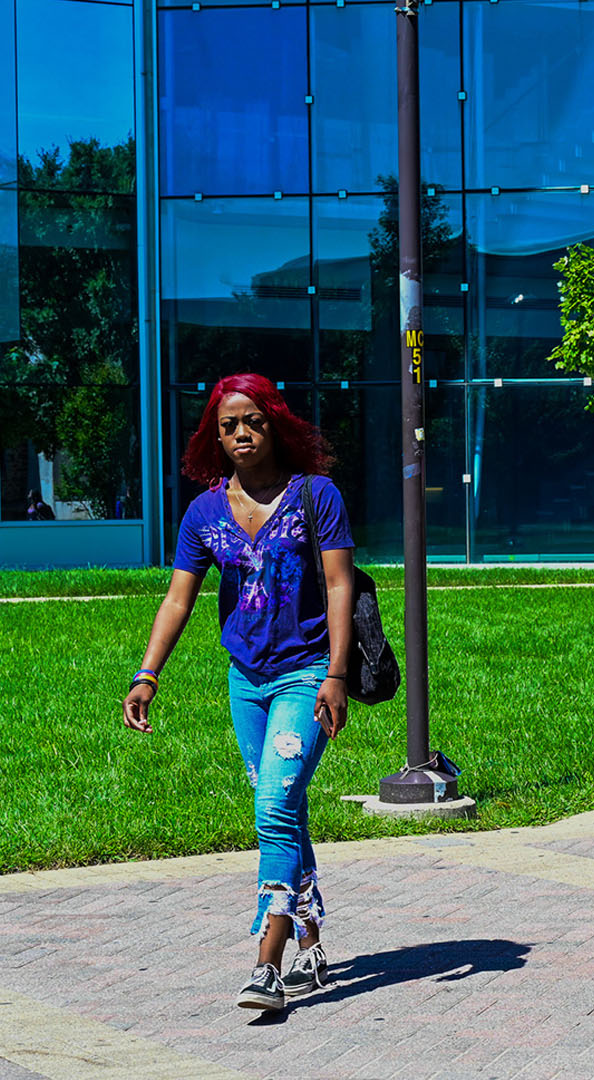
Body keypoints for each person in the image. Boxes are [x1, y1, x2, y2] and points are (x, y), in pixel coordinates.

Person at [120, 374, 356, 1013]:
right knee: (282, 805)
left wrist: (336, 675)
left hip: (306, 672)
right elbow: (178, 599)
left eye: (254, 420)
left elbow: (340, 585)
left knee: (274, 805)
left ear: (275, 423)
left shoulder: (316, 496)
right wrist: (147, 675)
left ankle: (267, 964)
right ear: (215, 437)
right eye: (229, 426)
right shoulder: (203, 513)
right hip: (246, 680)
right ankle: (310, 941)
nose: (242, 433)